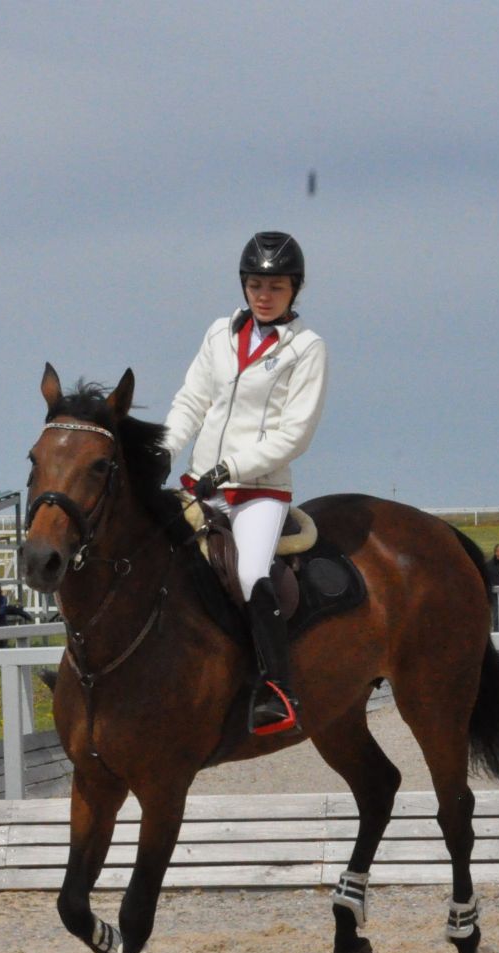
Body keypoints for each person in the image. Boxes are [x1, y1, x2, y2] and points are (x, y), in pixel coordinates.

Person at [162, 230, 328, 735]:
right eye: (256, 283)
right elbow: (192, 400)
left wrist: (229, 469)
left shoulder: (306, 348)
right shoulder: (218, 333)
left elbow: (294, 434)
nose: (264, 294)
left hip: (257, 491)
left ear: (294, 290)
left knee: (252, 571)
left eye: (276, 285)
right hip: (201, 485)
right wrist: (164, 451)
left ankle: (278, 689)